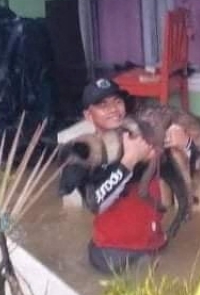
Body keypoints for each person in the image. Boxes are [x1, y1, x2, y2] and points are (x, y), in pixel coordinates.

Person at [78, 78, 191, 274]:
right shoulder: (86, 154)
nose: (113, 108)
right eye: (102, 105)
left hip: (155, 244)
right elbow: (95, 204)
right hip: (113, 254)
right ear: (88, 115)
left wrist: (185, 143)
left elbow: (185, 174)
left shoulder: (146, 137)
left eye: (117, 101)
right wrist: (129, 160)